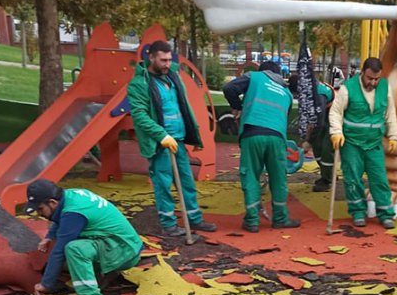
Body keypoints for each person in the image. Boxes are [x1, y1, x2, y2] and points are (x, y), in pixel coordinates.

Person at [127, 40, 216, 236]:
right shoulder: (139, 84)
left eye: (169, 60)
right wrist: (162, 135)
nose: (167, 64)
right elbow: (140, 116)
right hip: (160, 143)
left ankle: (194, 218)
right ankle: (168, 224)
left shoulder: (173, 77)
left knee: (186, 181)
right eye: (163, 60)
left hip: (179, 140)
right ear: (150, 58)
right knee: (163, 184)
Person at [27, 179, 143, 295]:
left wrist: (46, 284)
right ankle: (104, 275)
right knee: (70, 255)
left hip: (123, 251)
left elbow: (60, 250)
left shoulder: (74, 212)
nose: (39, 214)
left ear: (52, 202)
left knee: (74, 250)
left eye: (40, 209)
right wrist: (49, 237)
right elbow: (60, 219)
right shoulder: (70, 195)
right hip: (124, 245)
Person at [223, 61, 301, 233]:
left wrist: (238, 107)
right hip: (277, 137)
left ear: (262, 71)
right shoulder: (287, 93)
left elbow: (229, 89)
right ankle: (280, 218)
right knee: (278, 178)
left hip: (252, 132)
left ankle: (252, 221)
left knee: (251, 174)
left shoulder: (255, 77)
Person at [329, 57, 397, 229]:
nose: (373, 82)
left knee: (379, 178)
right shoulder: (348, 89)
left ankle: (385, 214)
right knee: (353, 178)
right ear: (362, 73)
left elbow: (390, 113)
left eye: (376, 79)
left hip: (374, 142)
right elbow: (336, 112)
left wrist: (393, 136)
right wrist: (336, 132)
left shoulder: (385, 87)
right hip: (352, 142)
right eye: (370, 78)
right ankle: (358, 211)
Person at [288, 74, 336, 192]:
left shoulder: (318, 95)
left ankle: (327, 180)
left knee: (326, 148)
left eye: (296, 94)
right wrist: (307, 139)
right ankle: (328, 174)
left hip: (335, 116)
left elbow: (317, 123)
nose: (297, 97)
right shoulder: (309, 92)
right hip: (324, 115)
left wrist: (308, 142)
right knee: (318, 147)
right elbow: (312, 121)